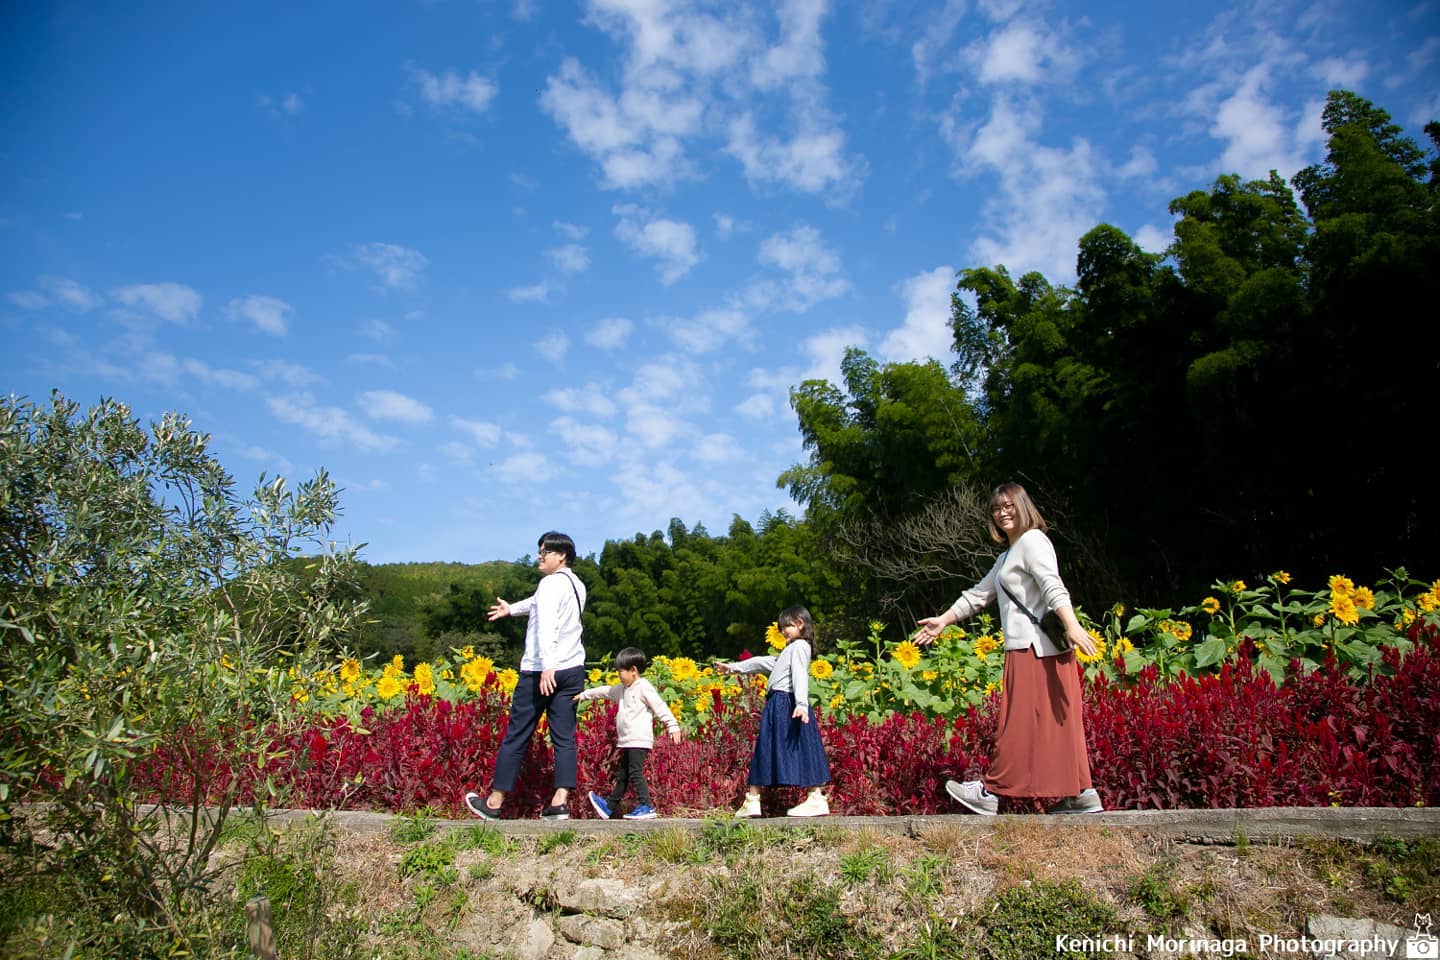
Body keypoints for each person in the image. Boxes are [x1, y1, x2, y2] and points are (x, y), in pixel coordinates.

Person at [915, 482, 1103, 816]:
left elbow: (1051, 584)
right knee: (1059, 724)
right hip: (1032, 649)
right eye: (996, 509)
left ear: (1023, 506)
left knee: (1015, 724)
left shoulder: (1032, 542)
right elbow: (978, 595)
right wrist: (943, 620)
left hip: (1035, 649)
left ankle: (990, 791)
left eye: (1009, 506)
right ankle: (1082, 793)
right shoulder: (1008, 555)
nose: (1003, 513)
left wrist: (1072, 625)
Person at [464, 531, 587, 821]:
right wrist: (511, 609)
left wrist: (547, 666)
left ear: (561, 555)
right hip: (573, 669)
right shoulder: (576, 585)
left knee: (517, 735)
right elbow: (536, 603)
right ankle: (559, 802)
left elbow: (546, 626)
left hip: (540, 671)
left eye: (545, 551)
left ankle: (494, 803)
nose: (540, 556)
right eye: (540, 551)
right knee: (564, 737)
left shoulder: (548, 584)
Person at [714, 605, 832, 818]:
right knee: (772, 748)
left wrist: (801, 705)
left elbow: (799, 675)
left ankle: (813, 799)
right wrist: (732, 668)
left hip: (786, 702)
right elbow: (764, 662)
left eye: (787, 626)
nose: (783, 631)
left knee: (785, 747)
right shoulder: (791, 649)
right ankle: (755, 800)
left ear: (800, 624)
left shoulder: (799, 647)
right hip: (782, 703)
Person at [574, 646, 683, 821]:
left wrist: (672, 725)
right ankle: (609, 806)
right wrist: (584, 695)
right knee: (623, 774)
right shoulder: (622, 689)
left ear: (633, 670)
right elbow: (603, 691)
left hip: (639, 739)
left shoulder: (643, 687)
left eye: (621, 672)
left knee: (635, 772)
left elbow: (659, 706)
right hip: (627, 740)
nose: (619, 676)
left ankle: (646, 806)